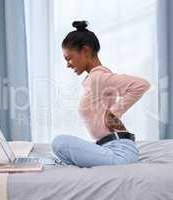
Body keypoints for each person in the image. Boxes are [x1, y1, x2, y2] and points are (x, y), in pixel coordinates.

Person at [52, 20, 150, 168]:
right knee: (60, 150)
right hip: (109, 147)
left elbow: (141, 85)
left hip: (120, 153)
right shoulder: (94, 78)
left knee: (59, 142)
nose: (68, 64)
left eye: (69, 58)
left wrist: (113, 113)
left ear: (85, 51)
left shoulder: (98, 77)